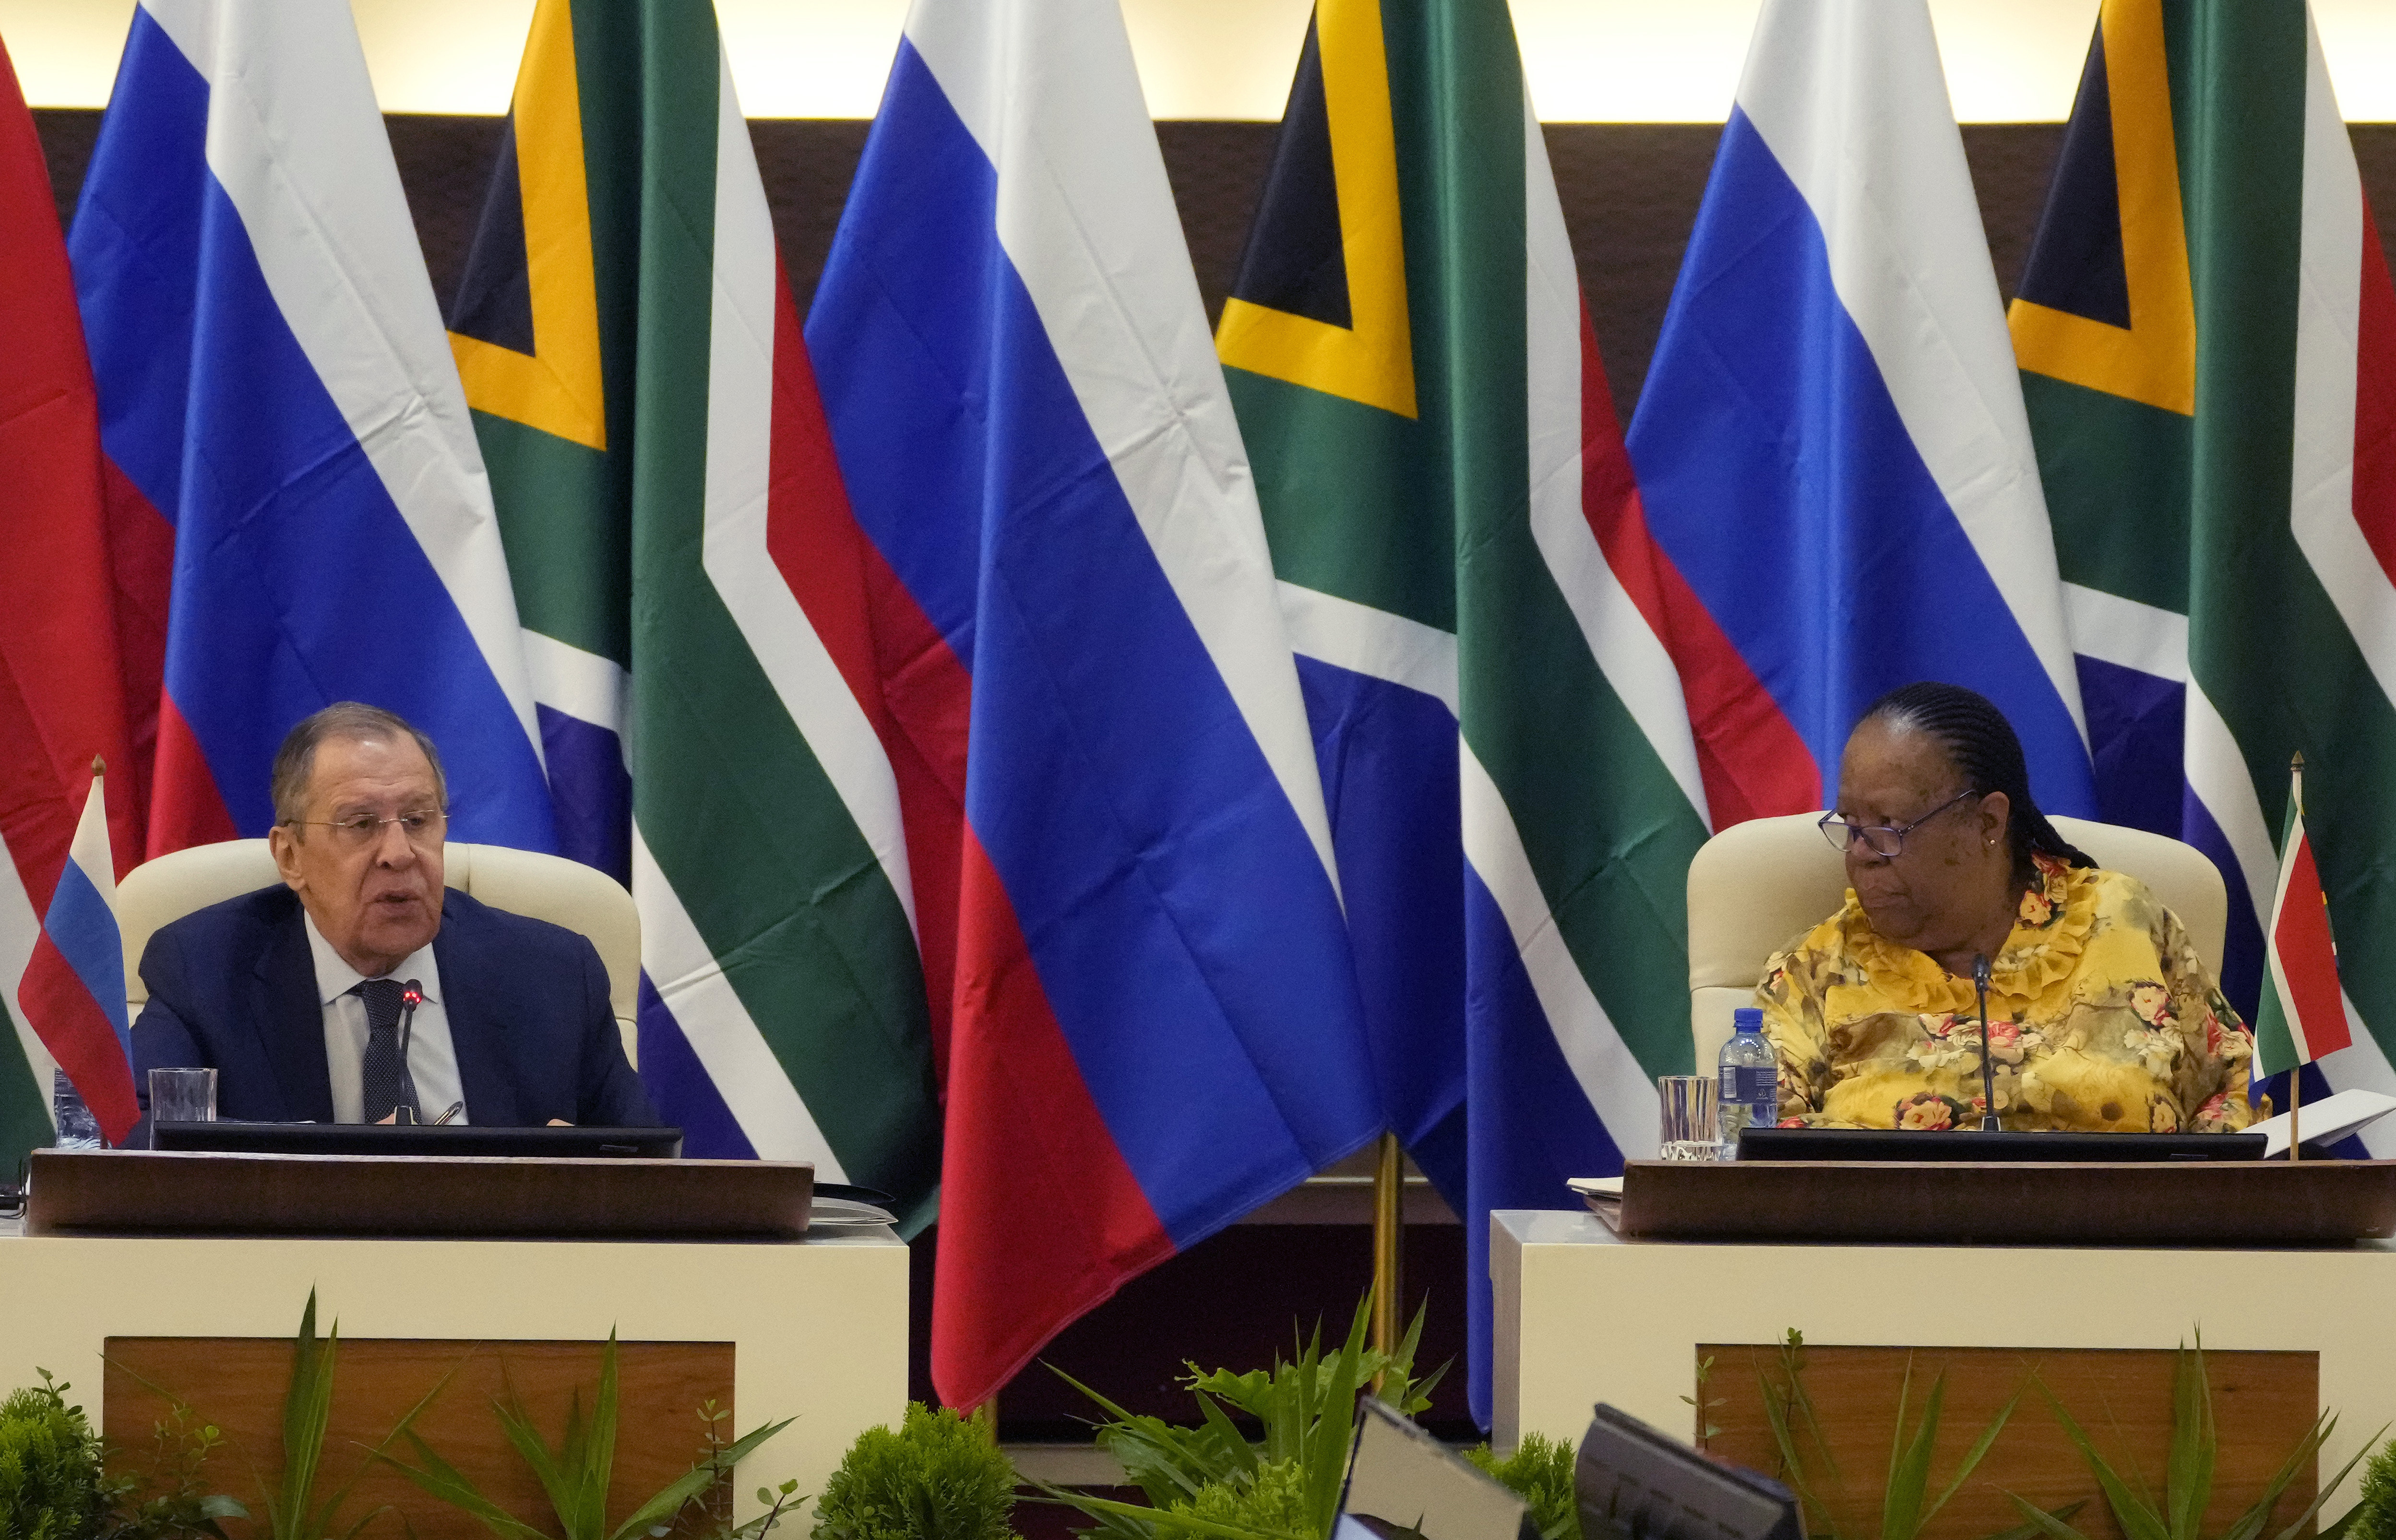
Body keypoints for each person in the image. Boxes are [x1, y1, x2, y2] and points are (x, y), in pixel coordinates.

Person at [1756, 681, 2264, 1133]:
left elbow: (2233, 1091)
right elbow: (1763, 1140)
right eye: (1851, 826)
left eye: (1888, 826)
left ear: (1987, 822)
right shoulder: (1814, 970)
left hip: (2125, 1211)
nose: (1861, 854)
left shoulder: (2123, 921)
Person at [131, 703, 657, 1129]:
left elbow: (644, 1168)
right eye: (361, 824)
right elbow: (149, 1137)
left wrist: (575, 1174)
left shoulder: (554, 974)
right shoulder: (202, 971)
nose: (400, 854)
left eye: (418, 820)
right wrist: (342, 1174)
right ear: (290, 857)